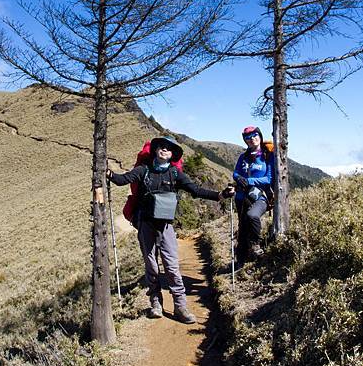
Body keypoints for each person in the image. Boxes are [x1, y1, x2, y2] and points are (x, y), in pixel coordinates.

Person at [107, 135, 231, 324]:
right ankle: (156, 303)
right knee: (151, 265)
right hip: (145, 223)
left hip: (165, 226)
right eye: (161, 146)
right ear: (155, 150)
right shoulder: (143, 170)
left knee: (171, 266)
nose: (164, 149)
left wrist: (220, 195)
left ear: (172, 154)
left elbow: (195, 190)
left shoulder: (175, 173)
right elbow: (124, 179)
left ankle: (180, 307)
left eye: (168, 148)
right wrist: (110, 175)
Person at [227, 126, 274, 266]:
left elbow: (269, 179)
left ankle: (255, 245)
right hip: (241, 196)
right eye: (248, 137)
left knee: (252, 216)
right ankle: (242, 260)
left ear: (259, 136)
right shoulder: (243, 156)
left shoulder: (267, 155)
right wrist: (238, 178)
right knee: (243, 227)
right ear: (245, 140)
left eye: (255, 135)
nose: (252, 139)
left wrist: (249, 181)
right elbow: (236, 172)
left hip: (261, 195)